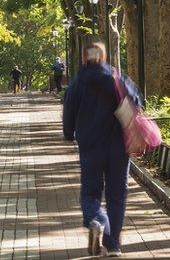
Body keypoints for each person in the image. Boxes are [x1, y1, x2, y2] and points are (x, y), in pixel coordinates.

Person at [62, 42, 139, 257]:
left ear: (84, 58)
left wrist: (69, 133)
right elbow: (136, 101)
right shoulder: (118, 78)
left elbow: (69, 110)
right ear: (104, 56)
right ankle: (113, 245)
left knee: (90, 190)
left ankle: (97, 219)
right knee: (117, 194)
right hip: (118, 147)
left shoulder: (78, 82)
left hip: (90, 145)